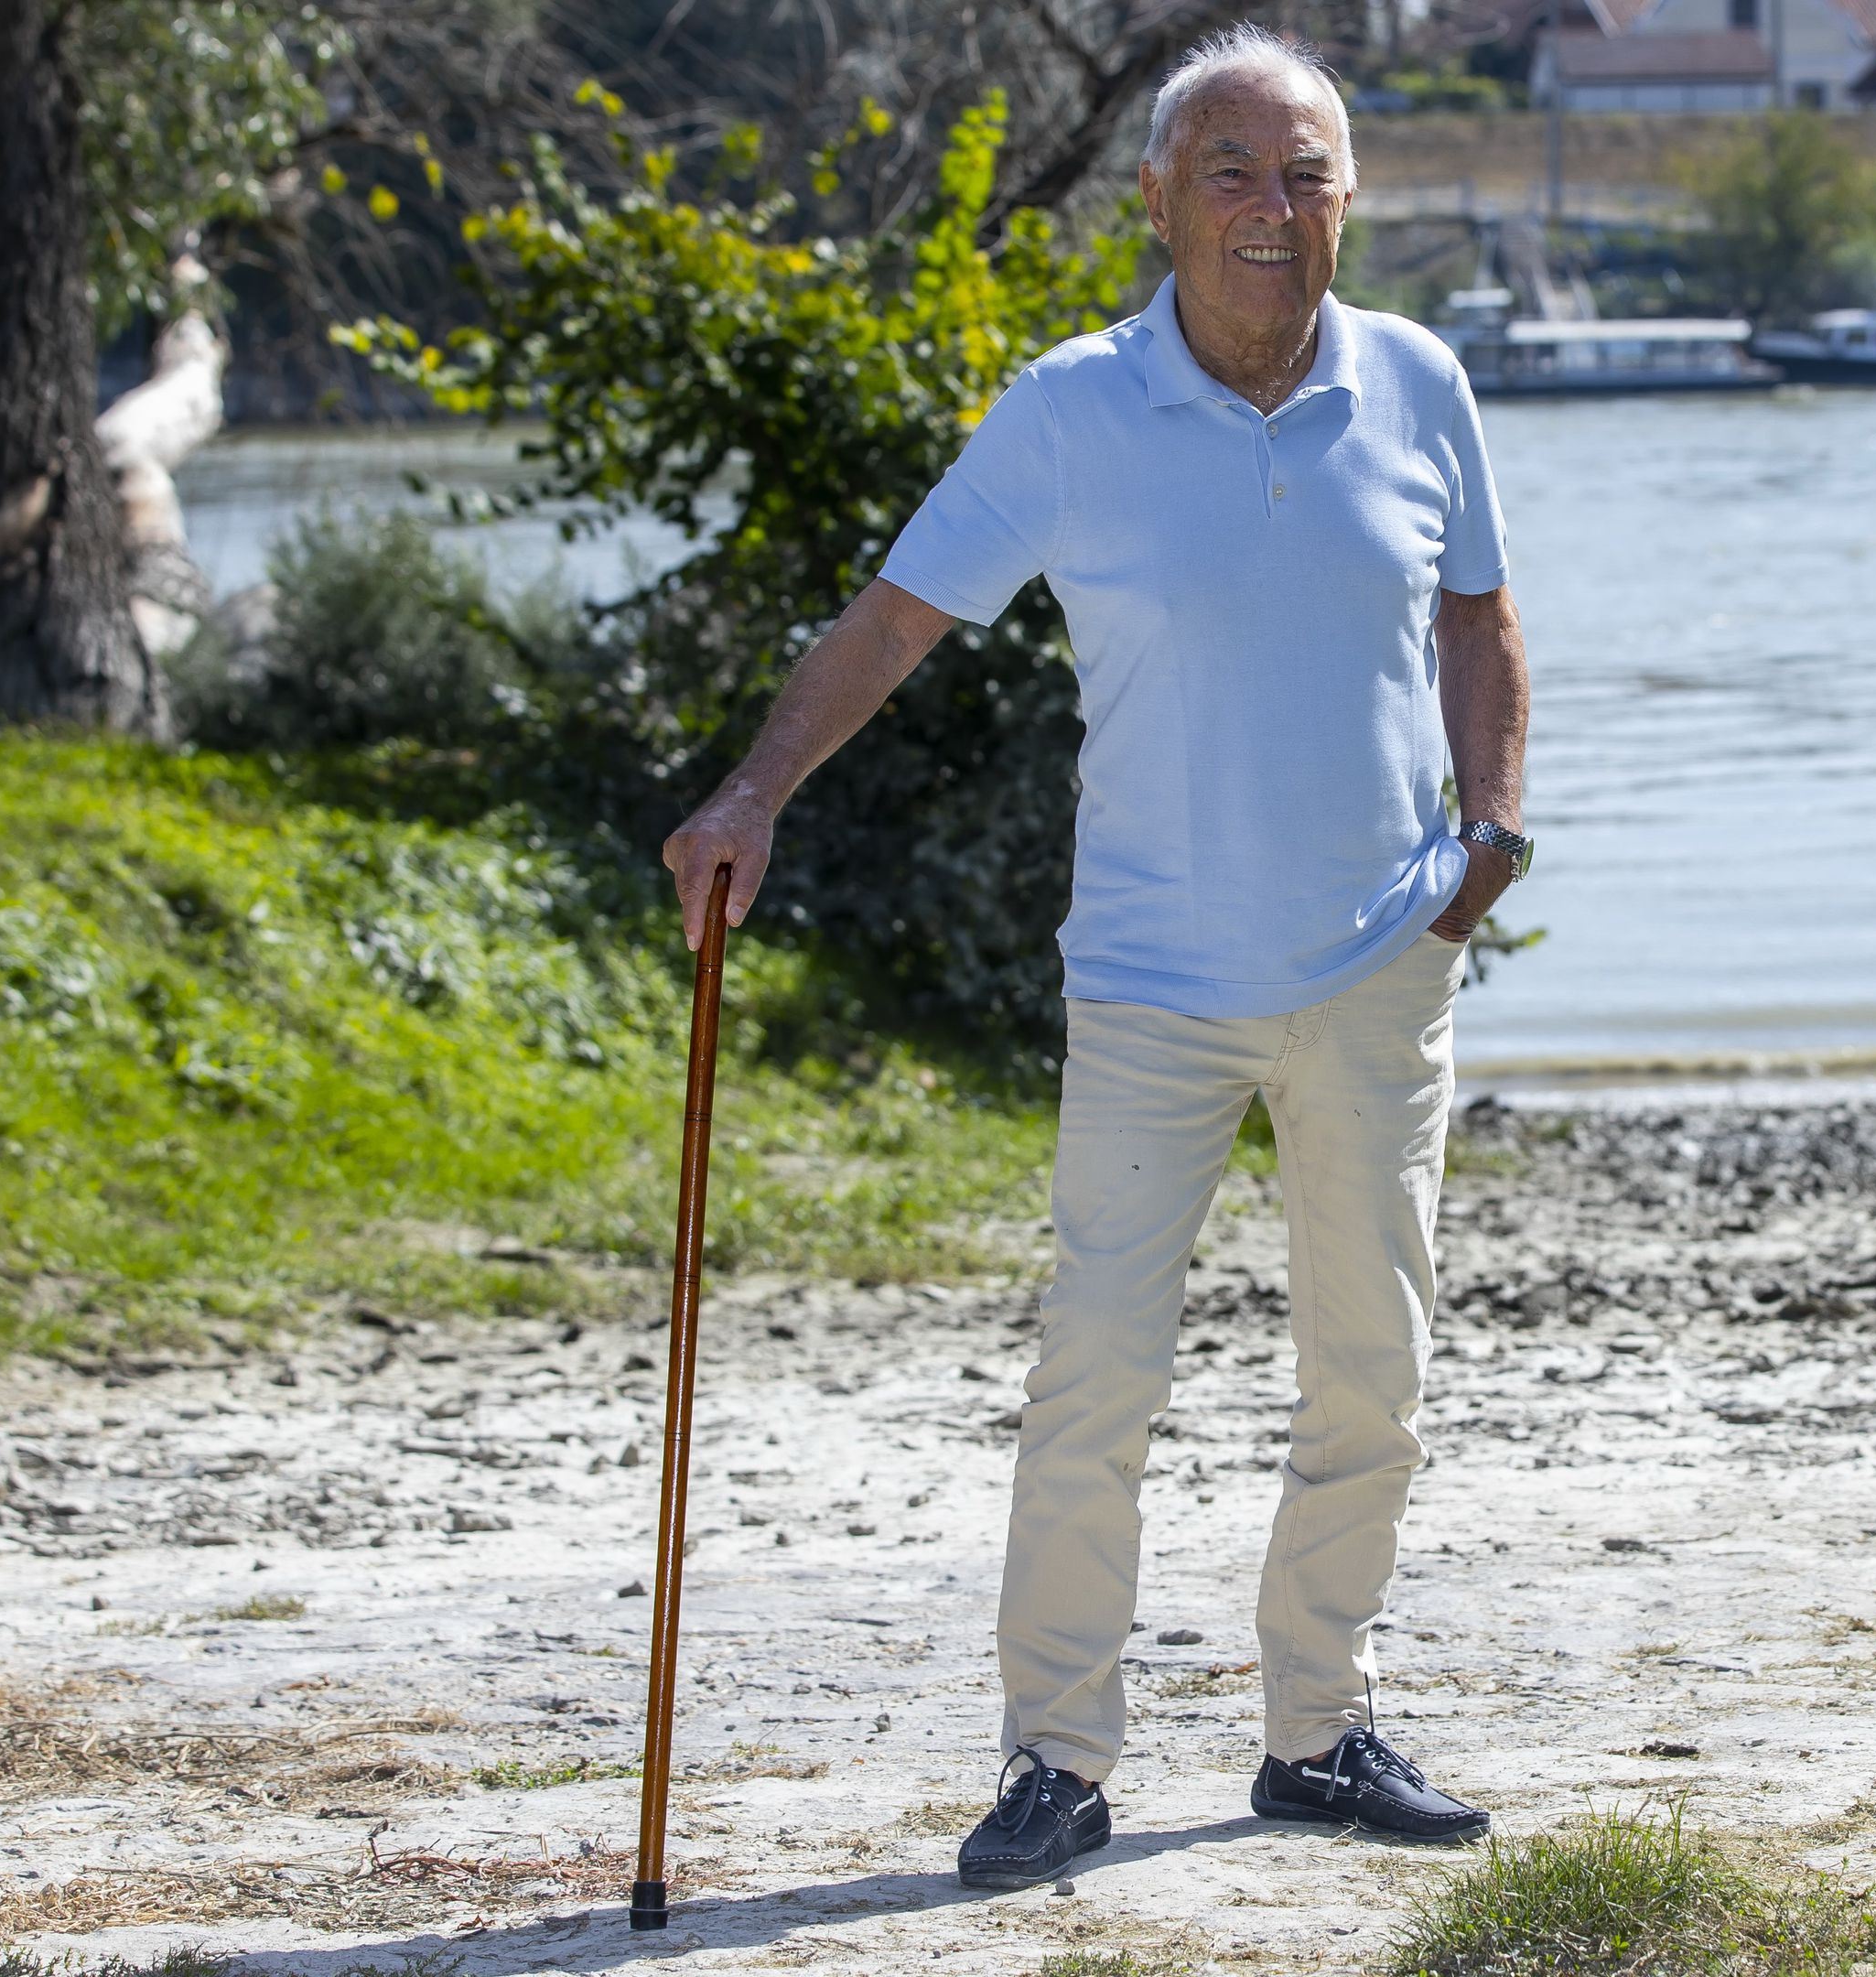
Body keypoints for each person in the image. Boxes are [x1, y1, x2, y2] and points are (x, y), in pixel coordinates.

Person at [659, 24, 1527, 1890]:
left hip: (1381, 963)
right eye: (1232, 172)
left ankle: (1319, 1734)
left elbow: (1478, 612)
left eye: (1305, 175)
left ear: (1349, 199)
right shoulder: (1069, 409)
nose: (1272, 213)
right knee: (1096, 1383)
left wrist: (1492, 828)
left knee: (1370, 1372)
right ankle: (1057, 1759)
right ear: (1156, 200)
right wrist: (752, 794)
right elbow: (893, 619)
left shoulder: (1422, 382)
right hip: (1149, 980)